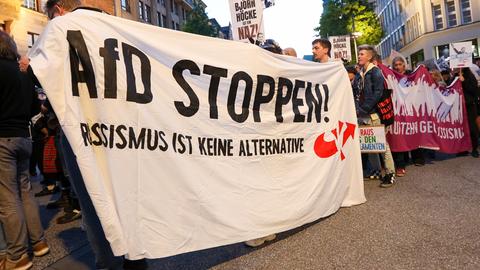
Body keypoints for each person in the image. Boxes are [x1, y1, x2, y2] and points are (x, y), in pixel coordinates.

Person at [0, 30, 49, 270]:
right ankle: (38, 243)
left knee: (7, 199)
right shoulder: (21, 75)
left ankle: (18, 255)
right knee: (26, 192)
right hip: (24, 137)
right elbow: (34, 107)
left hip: (2, 139)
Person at [353, 45, 396, 187]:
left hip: (373, 114)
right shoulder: (360, 74)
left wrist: (364, 108)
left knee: (382, 145)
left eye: (362, 54)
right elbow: (355, 93)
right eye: (359, 54)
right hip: (362, 114)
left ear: (370, 57)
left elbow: (378, 93)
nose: (359, 56)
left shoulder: (375, 72)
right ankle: (376, 171)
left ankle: (390, 174)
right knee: (369, 143)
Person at [457, 68, 479, 157]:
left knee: (472, 128)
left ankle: (474, 149)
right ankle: (463, 149)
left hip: (469, 106)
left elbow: (474, 90)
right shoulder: (455, 76)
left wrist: (464, 81)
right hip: (459, 106)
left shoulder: (470, 76)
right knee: (461, 129)